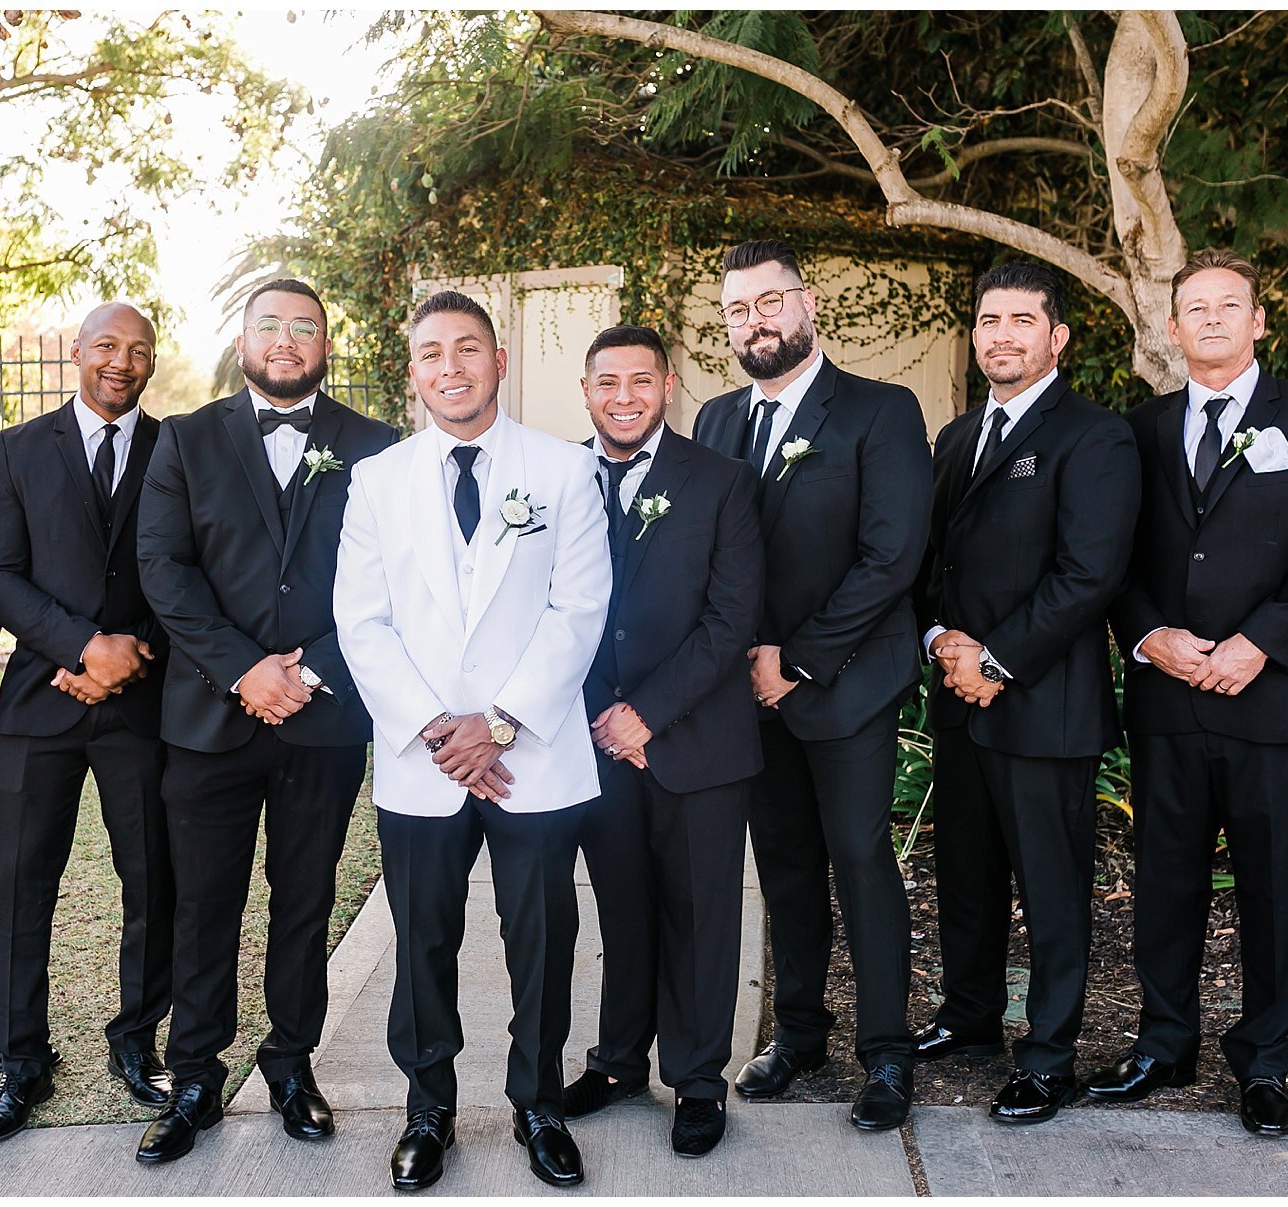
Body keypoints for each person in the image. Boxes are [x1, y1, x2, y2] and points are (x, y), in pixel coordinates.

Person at [334, 290, 611, 1191]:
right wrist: (434, 728)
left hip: (530, 752)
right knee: (422, 938)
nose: (449, 367)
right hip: (423, 762)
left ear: (498, 362)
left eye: (467, 349)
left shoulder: (564, 471)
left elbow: (580, 611)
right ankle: (429, 1106)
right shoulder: (378, 479)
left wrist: (495, 726)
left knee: (541, 933)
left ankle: (536, 1101)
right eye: (430, 353)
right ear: (412, 371)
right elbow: (361, 619)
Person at [1092, 249, 1288, 1137]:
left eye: (1229, 305)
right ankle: (1165, 1044)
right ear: (1171, 332)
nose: (1211, 318)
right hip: (1169, 698)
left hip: (1274, 699)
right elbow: (1114, 561)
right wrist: (1148, 637)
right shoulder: (1134, 430)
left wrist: (1260, 643)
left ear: (1259, 322)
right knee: (1165, 882)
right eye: (1194, 308)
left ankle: (1263, 1064)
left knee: (1273, 890)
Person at [133, 279, 399, 1163]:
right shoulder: (185, 438)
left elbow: (389, 581)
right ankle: (196, 1074)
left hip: (322, 720)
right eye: (269, 326)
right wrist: (244, 669)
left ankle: (292, 1063)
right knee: (204, 900)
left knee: (306, 897)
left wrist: (309, 668)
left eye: (305, 327)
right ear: (242, 339)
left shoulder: (375, 446)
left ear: (327, 342)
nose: (286, 341)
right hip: (210, 716)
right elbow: (164, 569)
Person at [689, 238, 932, 1132]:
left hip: (845, 686)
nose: (754, 322)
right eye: (738, 310)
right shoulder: (716, 421)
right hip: (746, 697)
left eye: (768, 302)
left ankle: (886, 1053)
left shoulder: (879, 411)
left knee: (863, 864)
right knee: (784, 867)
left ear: (807, 302)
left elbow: (891, 556)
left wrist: (792, 658)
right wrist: (739, 661)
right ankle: (799, 1034)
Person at [911, 263, 1139, 1123]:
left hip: (1042, 702)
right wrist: (939, 641)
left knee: (1050, 889)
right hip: (959, 695)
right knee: (965, 873)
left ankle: (1047, 1055)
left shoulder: (1094, 436)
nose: (1001, 333)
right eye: (988, 319)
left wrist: (997, 659)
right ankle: (970, 1015)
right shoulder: (956, 436)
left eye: (1021, 320)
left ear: (1058, 337)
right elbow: (932, 562)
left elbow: (1091, 574)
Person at [0, 302, 174, 1142]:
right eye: (106, 347)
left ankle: (137, 1039)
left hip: (146, 704)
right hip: (39, 699)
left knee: (153, 878)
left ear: (152, 363)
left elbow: (195, 568)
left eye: (138, 350)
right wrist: (81, 646)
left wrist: (133, 652)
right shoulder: (17, 449)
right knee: (19, 883)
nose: (120, 362)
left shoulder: (177, 448)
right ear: (77, 353)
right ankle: (22, 1057)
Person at [561, 325, 763, 1157]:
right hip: (591, 741)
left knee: (701, 913)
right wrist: (601, 717)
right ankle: (616, 1062)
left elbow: (730, 620)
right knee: (623, 907)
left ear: (667, 386)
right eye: (607, 382)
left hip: (695, 740)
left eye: (639, 381)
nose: (623, 397)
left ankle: (699, 1078)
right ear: (585, 390)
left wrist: (647, 714)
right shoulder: (554, 478)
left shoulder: (722, 483)